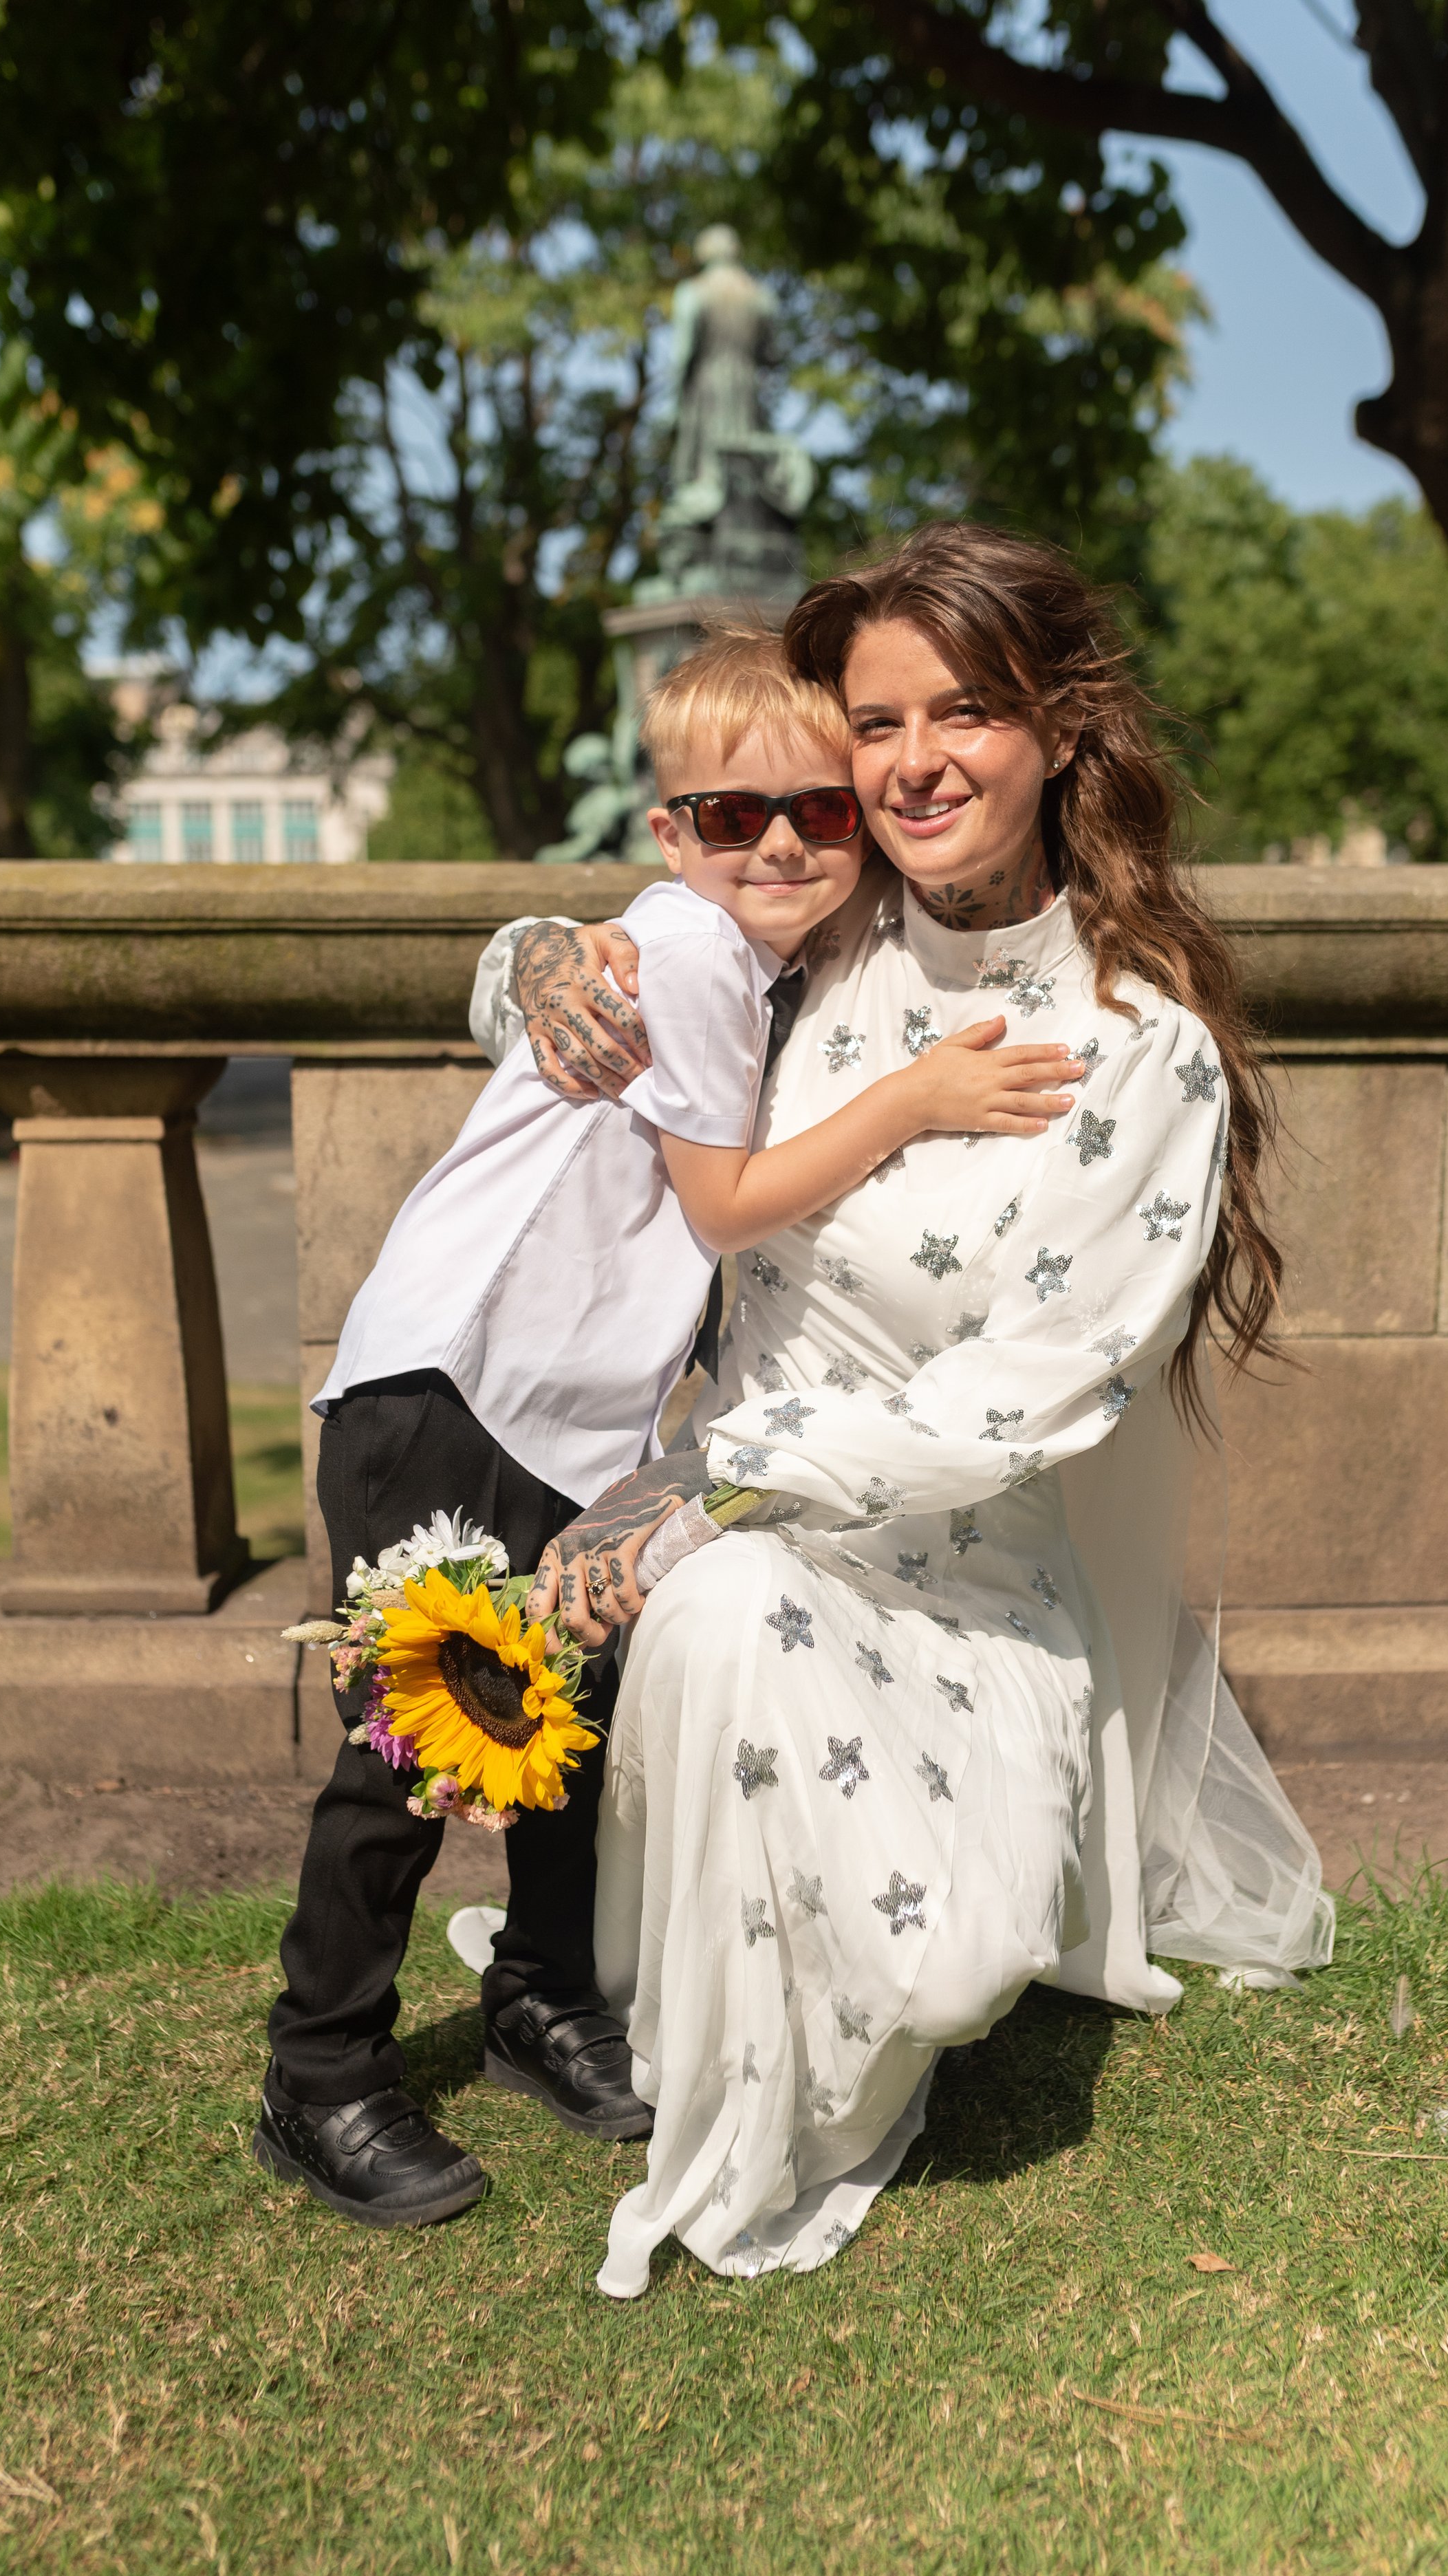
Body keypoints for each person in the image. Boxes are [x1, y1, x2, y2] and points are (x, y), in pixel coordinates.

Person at [484, 523, 1334, 2296]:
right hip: (727, 1550)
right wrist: (529, 959)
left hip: (961, 1574)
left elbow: (1018, 1402)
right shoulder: (818, 934)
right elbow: (621, 961)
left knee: (948, 1976)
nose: (912, 762)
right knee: (719, 1609)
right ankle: (717, 2093)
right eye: (874, 723)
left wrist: (708, 1484)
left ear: (1058, 731)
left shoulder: (1137, 1048)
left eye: (964, 711)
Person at [255, 627, 1082, 2229]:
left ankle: (544, 1996)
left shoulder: (767, 967)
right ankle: (321, 2070)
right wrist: (909, 1103)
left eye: (816, 814)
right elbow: (720, 1203)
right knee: (414, 1746)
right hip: (448, 1393)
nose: (775, 843)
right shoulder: (691, 956)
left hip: (561, 1425)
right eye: (727, 816)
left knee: (574, 1702)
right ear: (667, 836)